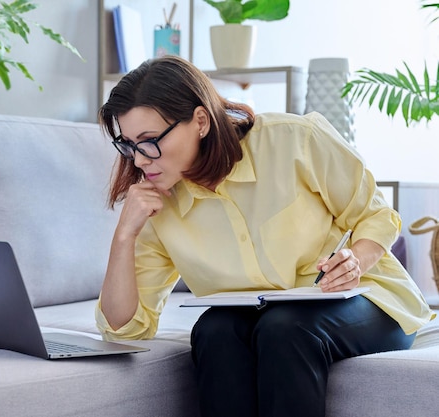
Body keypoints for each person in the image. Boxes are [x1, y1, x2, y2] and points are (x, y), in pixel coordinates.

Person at [94, 55, 434, 417]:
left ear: (200, 121)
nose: (140, 160)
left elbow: (377, 214)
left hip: (368, 301)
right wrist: (124, 235)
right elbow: (124, 329)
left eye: (149, 141)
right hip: (266, 319)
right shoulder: (156, 202)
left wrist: (355, 260)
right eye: (128, 145)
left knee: (285, 328)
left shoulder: (294, 140)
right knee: (215, 330)